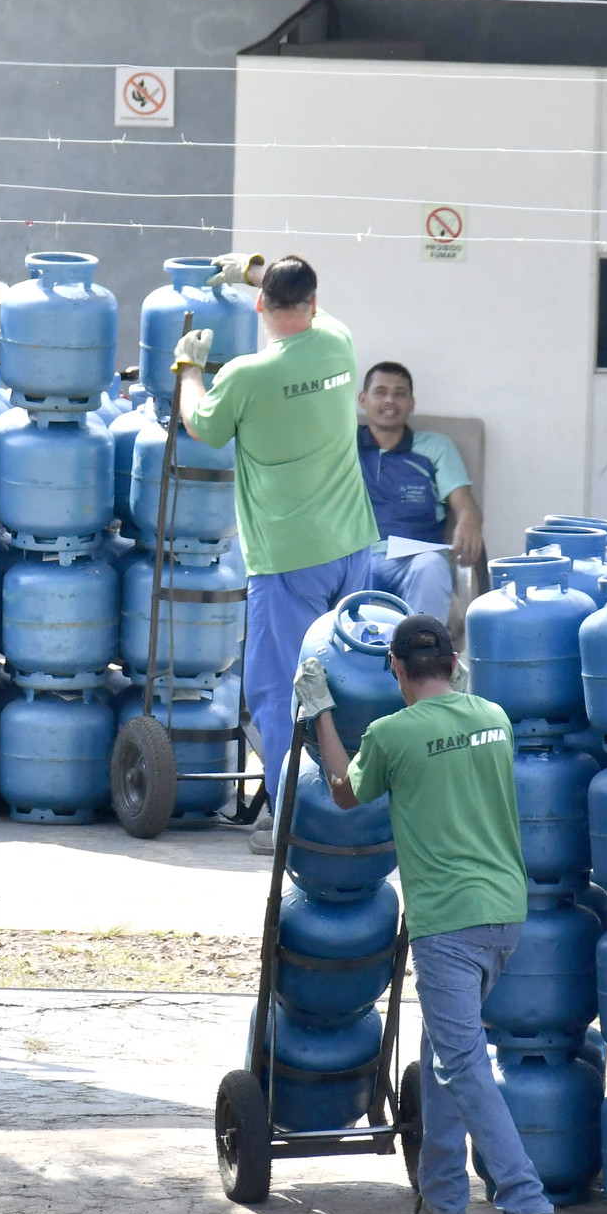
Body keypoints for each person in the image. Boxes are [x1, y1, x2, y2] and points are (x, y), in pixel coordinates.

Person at [305, 614, 558, 1214]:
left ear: (395, 669)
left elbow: (342, 792)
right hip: (505, 914)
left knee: (463, 1063)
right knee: (446, 1058)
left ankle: (525, 1201)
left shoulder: (393, 734)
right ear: (452, 663)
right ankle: (441, 1201)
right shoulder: (495, 718)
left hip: (448, 924)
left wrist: (322, 714)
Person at [175, 253, 377, 855]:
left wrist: (189, 368)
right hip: (351, 545)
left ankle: (294, 819)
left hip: (289, 557)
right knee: (349, 678)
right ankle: (351, 808)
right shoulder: (339, 343)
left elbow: (201, 427)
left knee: (282, 687)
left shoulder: (244, 376)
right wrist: (254, 269)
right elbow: (300, 297)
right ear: (313, 302)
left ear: (260, 308)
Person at [357, 362, 483, 620]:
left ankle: (423, 652)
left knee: (432, 566)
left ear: (411, 403)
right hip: (358, 558)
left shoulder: (436, 447)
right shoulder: (342, 445)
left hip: (415, 558)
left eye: (400, 393)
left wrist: (469, 521)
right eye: (380, 392)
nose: (390, 400)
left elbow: (464, 504)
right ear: (363, 399)